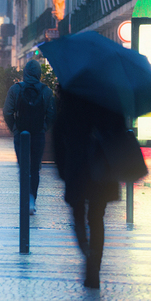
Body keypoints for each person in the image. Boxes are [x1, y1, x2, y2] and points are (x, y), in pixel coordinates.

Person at [54, 89, 123, 289]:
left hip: (77, 168)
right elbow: (119, 133)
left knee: (78, 214)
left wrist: (62, 167)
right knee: (96, 219)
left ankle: (86, 250)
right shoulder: (109, 96)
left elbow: (59, 134)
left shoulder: (71, 95)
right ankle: (93, 269)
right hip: (102, 169)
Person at [2, 58, 55, 215]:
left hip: (21, 135)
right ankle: (32, 201)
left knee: (23, 167)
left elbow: (7, 112)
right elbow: (52, 114)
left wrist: (15, 128)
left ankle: (26, 199)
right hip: (38, 135)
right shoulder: (46, 91)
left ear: (25, 73)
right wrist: (44, 127)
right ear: (39, 73)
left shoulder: (15, 89)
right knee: (35, 168)